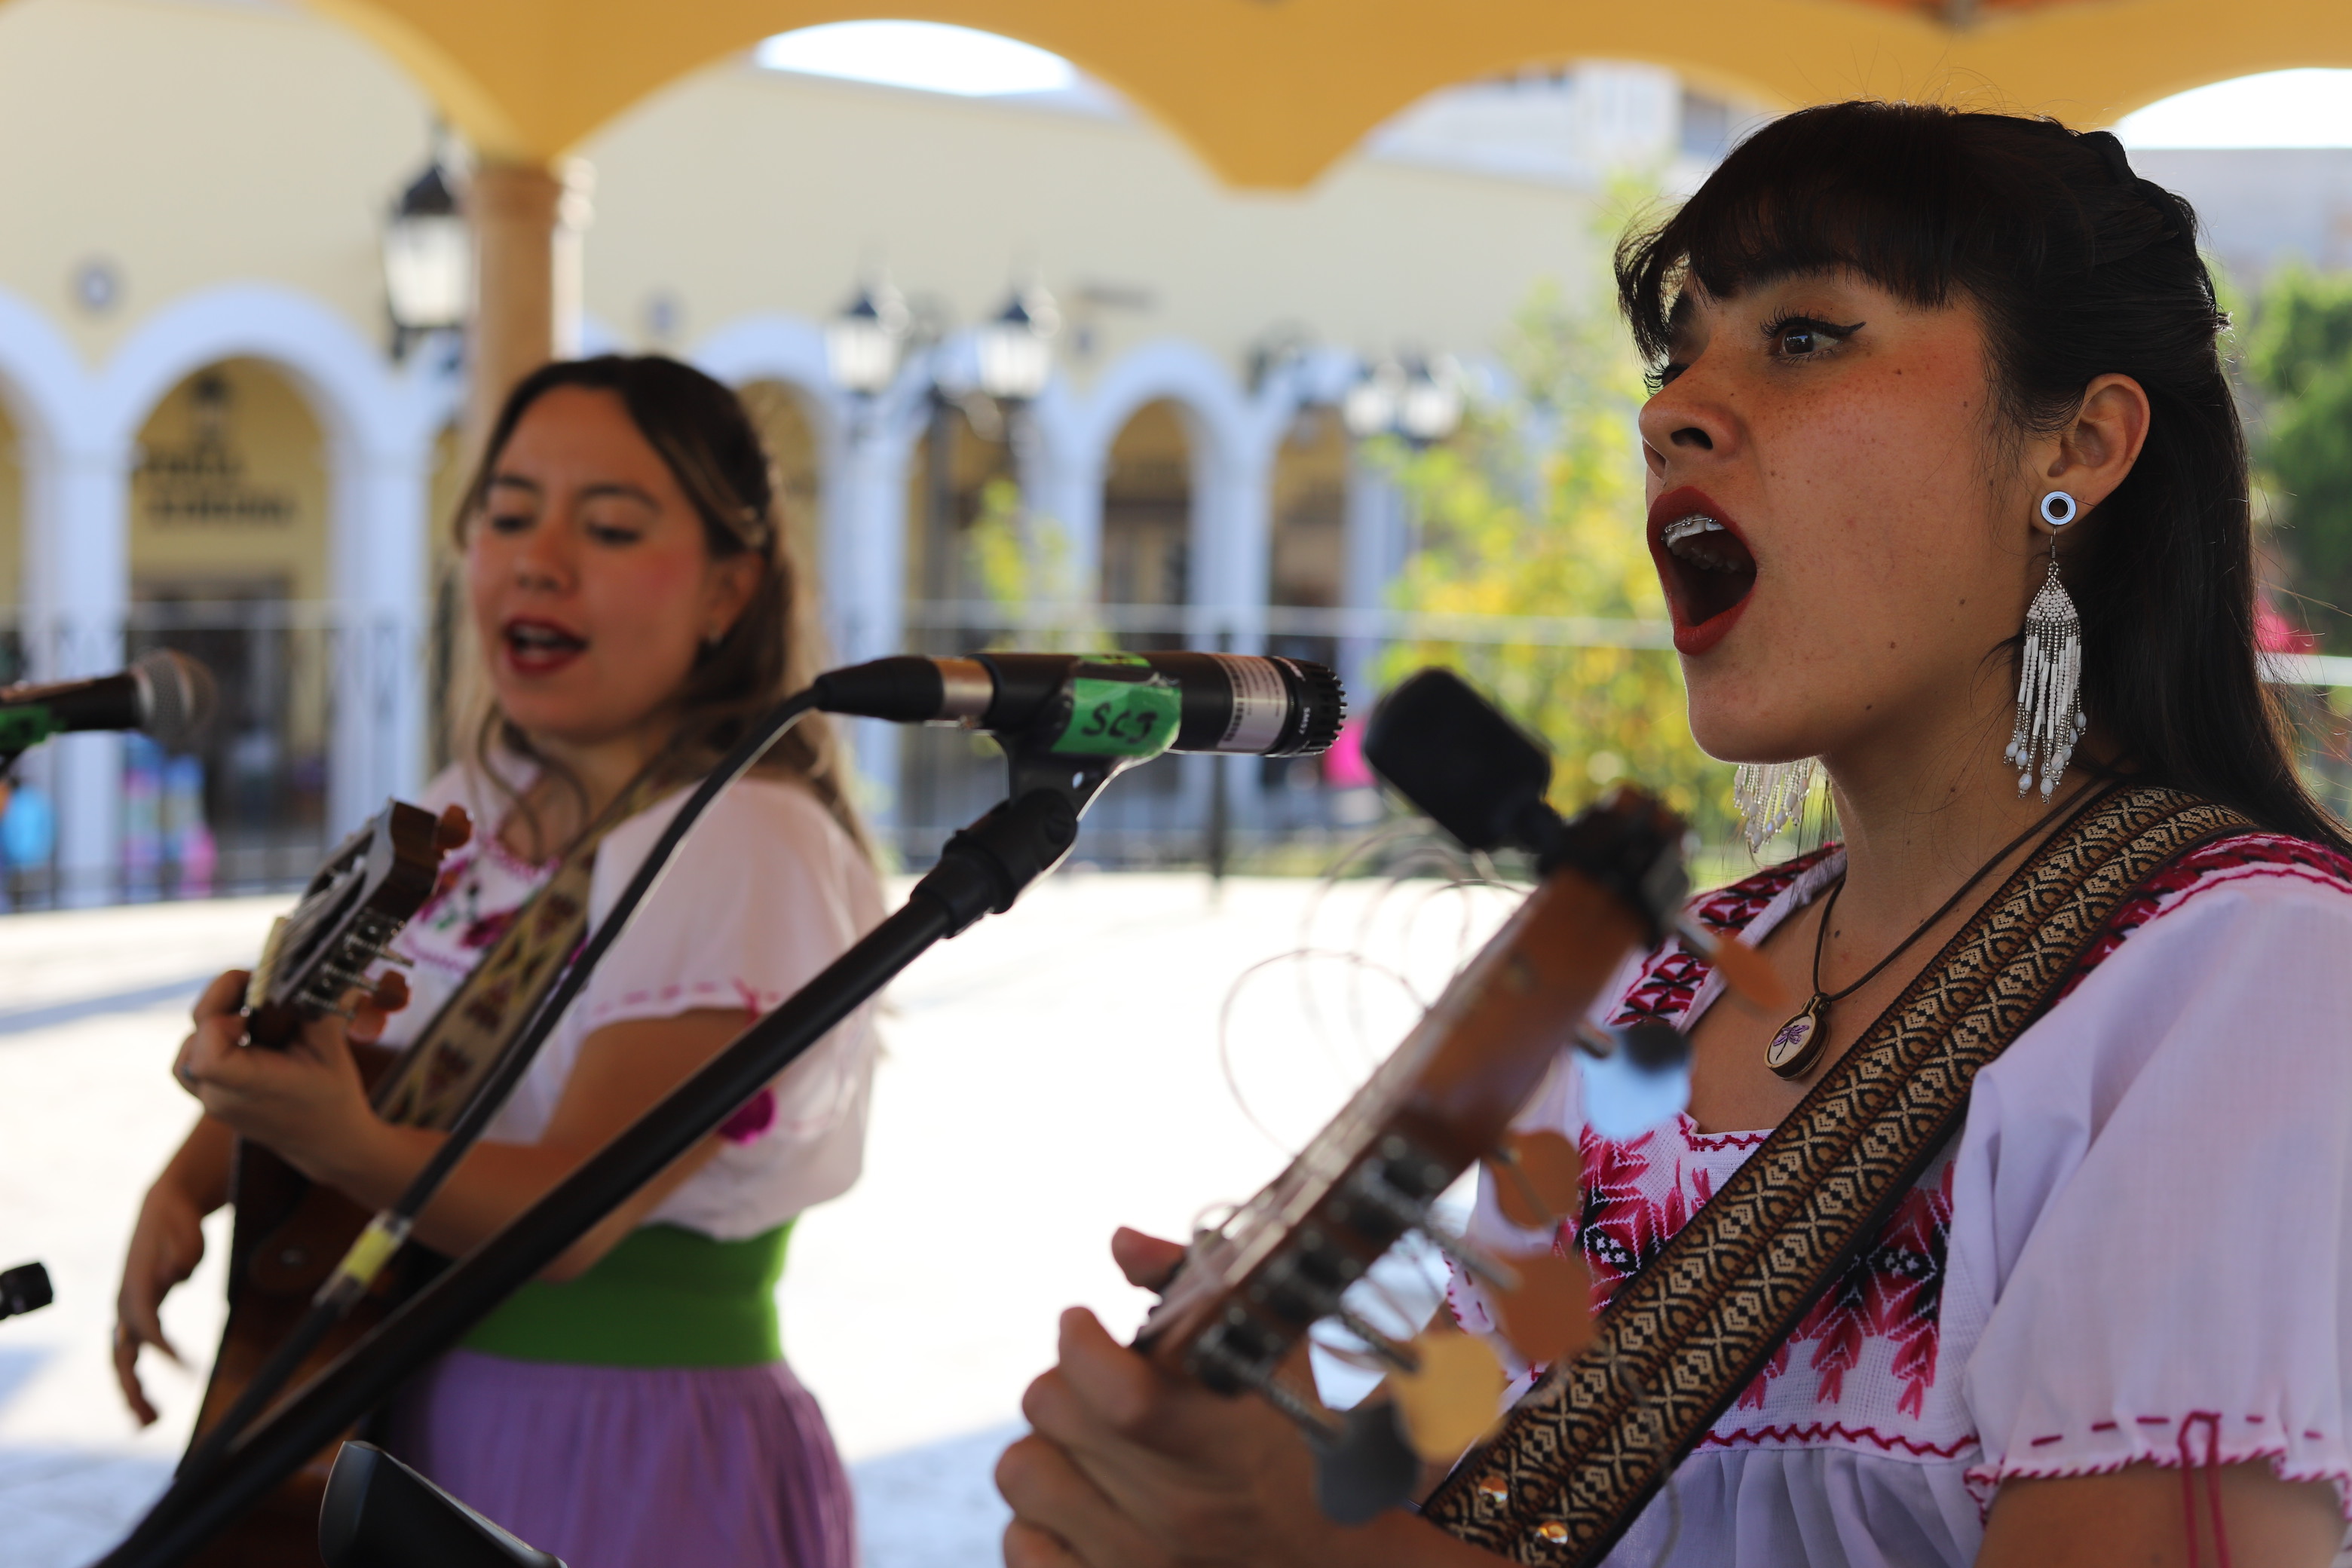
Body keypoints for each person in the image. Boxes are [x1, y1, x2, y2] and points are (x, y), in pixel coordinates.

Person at [996, 104, 2352, 1566]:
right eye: (1677, 354)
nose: (1672, 411)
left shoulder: (2256, 984)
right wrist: (1266, 1452)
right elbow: (1463, 1490)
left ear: (2076, 444)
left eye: (1807, 335)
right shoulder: (1640, 998)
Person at [113, 355, 883, 1568]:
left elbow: (569, 1212)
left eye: (612, 525)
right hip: (411, 1419)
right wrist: (193, 1172)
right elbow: (359, 1060)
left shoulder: (745, 836)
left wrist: (343, 1147)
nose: (539, 558)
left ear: (731, 590)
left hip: (623, 1452)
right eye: (508, 515)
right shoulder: (467, 807)